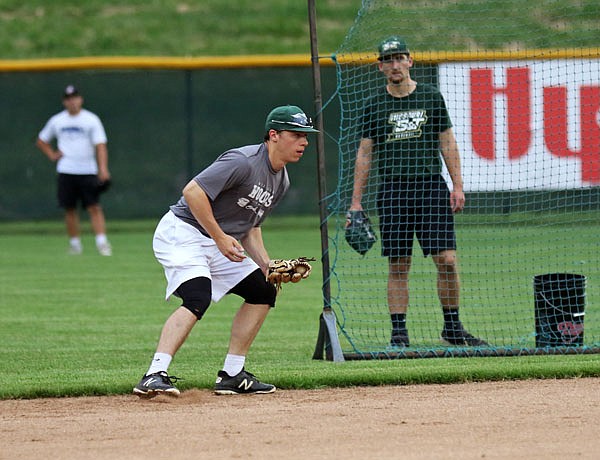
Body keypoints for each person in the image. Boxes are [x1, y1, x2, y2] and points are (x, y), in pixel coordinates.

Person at [133, 105, 319, 398]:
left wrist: (266, 265)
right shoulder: (242, 161)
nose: (304, 142)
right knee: (198, 295)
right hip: (183, 231)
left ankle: (232, 374)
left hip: (219, 239)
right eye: (296, 134)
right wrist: (219, 237)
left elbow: (250, 227)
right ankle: (154, 374)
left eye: (305, 136)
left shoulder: (281, 180)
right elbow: (192, 192)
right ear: (273, 135)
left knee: (263, 290)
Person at [348, 36, 488, 348]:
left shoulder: (431, 97)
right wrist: (356, 202)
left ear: (410, 61)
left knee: (447, 260)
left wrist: (458, 185)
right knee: (398, 264)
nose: (395, 64)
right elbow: (365, 154)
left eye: (400, 58)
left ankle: (452, 326)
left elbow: (447, 142)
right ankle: (399, 333)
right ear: (381, 66)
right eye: (389, 59)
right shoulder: (374, 105)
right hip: (394, 191)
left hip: (430, 187)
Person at [36, 85, 112, 256]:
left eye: (75, 97)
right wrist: (52, 155)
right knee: (69, 208)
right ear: (64, 101)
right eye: (69, 98)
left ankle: (102, 243)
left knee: (94, 207)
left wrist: (103, 168)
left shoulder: (91, 119)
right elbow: (41, 140)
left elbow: (100, 146)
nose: (72, 101)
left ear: (81, 99)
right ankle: (75, 244)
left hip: (87, 170)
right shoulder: (58, 120)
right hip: (66, 170)